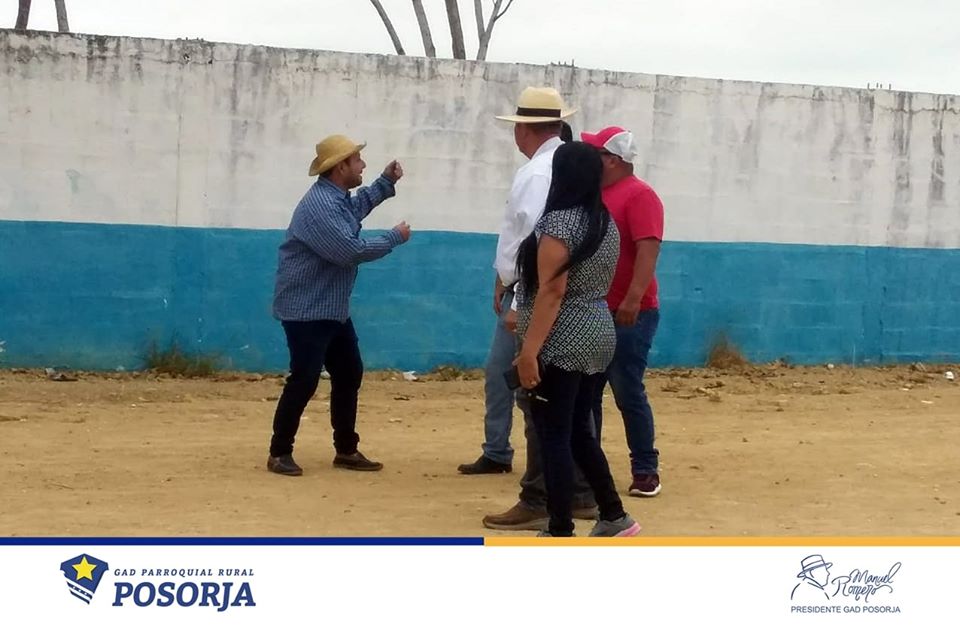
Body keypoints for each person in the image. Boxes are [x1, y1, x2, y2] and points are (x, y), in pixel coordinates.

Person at [512, 141, 640, 537]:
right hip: (597, 331)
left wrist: (529, 351)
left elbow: (553, 290)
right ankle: (614, 514)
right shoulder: (604, 221)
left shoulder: (559, 223)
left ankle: (559, 526)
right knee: (580, 430)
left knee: (553, 434)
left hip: (563, 338)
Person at [266, 134, 411, 476]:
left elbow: (357, 208)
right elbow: (349, 251)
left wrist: (385, 182)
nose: (362, 165)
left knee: (348, 372)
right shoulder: (321, 207)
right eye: (357, 160)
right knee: (304, 379)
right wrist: (394, 237)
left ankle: (346, 449)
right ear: (339, 167)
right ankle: (279, 452)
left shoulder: (336, 199)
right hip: (306, 310)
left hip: (329, 307)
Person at [581, 126, 665, 497]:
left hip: (629, 313)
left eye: (596, 153)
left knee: (627, 391)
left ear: (612, 160)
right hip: (596, 309)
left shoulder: (640, 195)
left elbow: (648, 249)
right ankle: (589, 467)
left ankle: (645, 469)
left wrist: (633, 299)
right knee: (588, 393)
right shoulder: (598, 195)